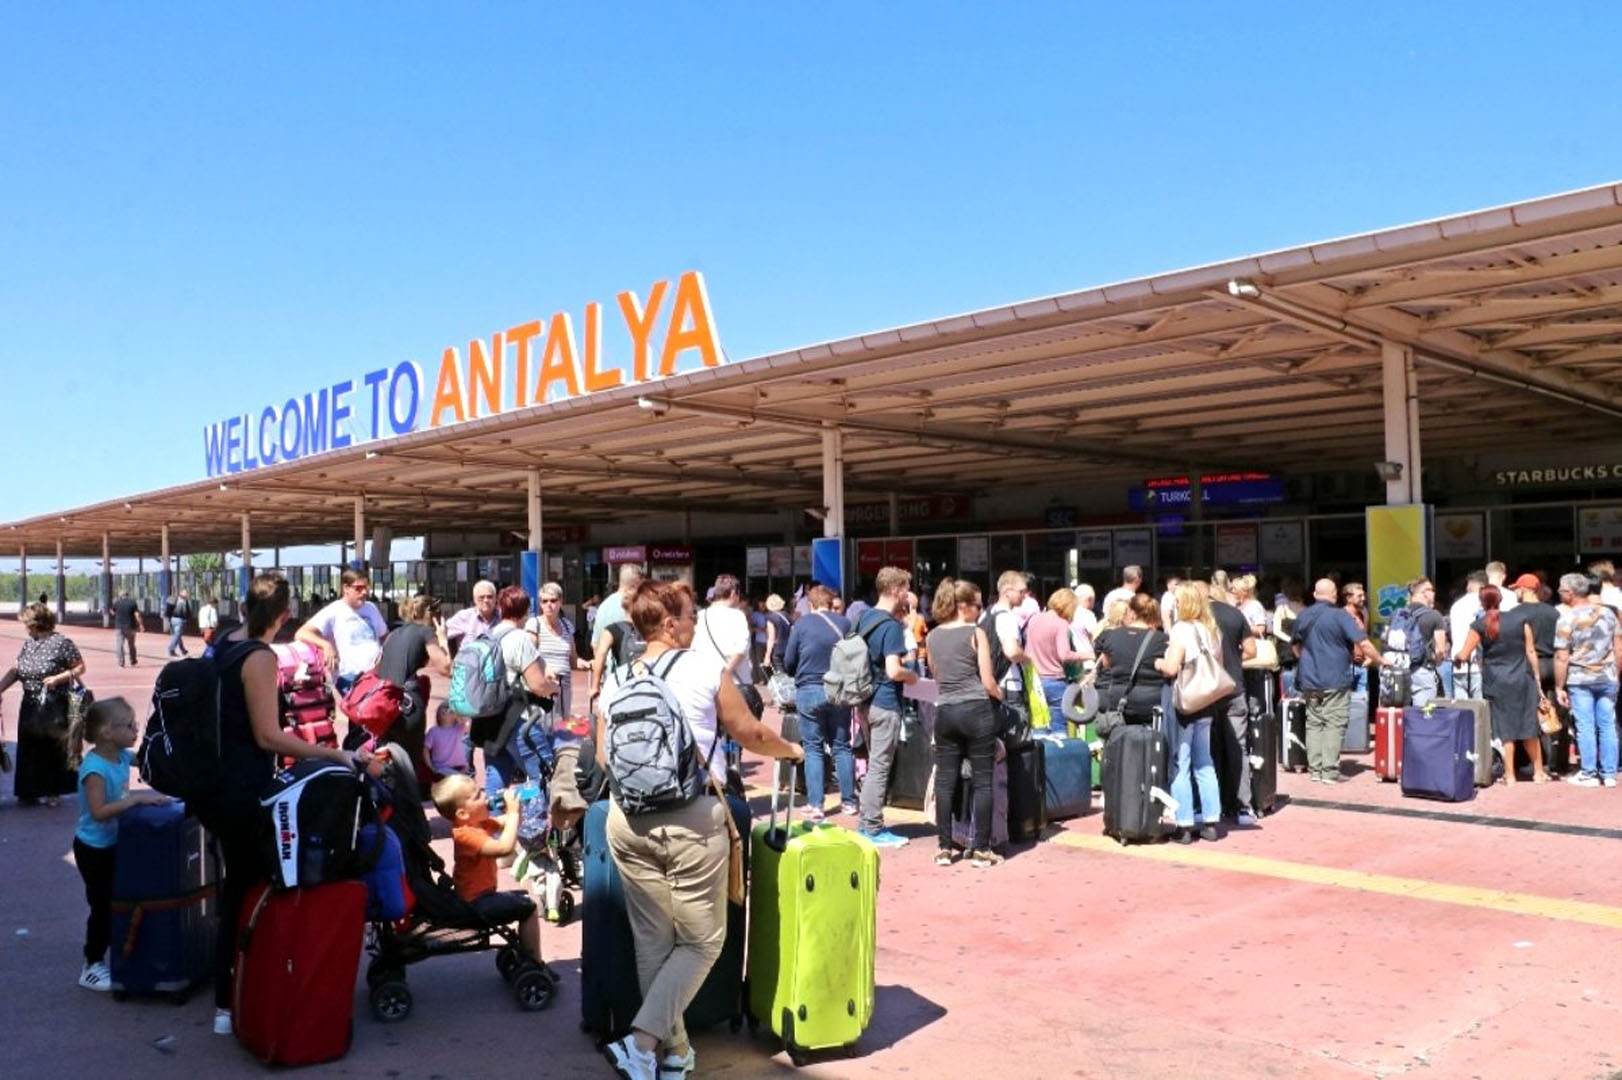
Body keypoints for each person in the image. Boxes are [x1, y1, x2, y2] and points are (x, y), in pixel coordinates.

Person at [596, 581, 803, 1080]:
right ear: (669, 623)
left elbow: (603, 755)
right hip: (691, 818)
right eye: (689, 616)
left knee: (653, 942)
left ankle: (674, 1054)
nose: (694, 624)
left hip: (627, 820)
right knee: (703, 942)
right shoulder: (704, 667)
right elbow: (749, 731)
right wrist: (790, 752)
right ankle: (642, 1043)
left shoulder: (618, 677)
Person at [197, 574, 368, 1037]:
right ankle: (232, 998)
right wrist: (334, 753)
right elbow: (268, 735)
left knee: (236, 884)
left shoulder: (226, 643)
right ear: (285, 616)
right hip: (241, 786)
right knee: (250, 887)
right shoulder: (258, 657)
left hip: (215, 783)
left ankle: (229, 990)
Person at [72, 697, 169, 992]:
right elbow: (99, 812)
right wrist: (135, 800)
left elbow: (149, 758)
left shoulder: (122, 756)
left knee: (120, 899)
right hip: (93, 849)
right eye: (128, 726)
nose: (134, 731)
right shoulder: (95, 769)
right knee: (101, 905)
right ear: (106, 733)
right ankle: (91, 964)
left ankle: (120, 950)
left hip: (115, 844)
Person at [925, 578, 1004, 868]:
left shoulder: (932, 636)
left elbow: (936, 676)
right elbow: (987, 681)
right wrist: (1000, 694)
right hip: (976, 709)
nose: (980, 611)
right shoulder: (976, 632)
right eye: (977, 605)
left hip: (945, 711)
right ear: (962, 606)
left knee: (946, 781)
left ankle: (945, 847)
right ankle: (981, 849)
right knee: (983, 781)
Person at [431, 774, 546, 965]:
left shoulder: (478, 823)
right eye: (477, 796)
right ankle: (535, 962)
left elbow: (505, 821)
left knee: (523, 898)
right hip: (475, 904)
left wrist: (515, 805)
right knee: (529, 908)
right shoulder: (466, 836)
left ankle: (525, 953)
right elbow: (504, 848)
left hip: (481, 897)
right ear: (462, 814)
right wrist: (514, 814)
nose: (485, 796)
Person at [1155, 584, 1227, 843]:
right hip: (1206, 700)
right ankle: (1210, 821)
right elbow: (1218, 664)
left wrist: (1158, 663)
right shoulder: (1211, 629)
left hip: (1184, 703)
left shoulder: (1181, 629)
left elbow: (1172, 667)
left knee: (1180, 762)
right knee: (1204, 761)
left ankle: (1184, 824)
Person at [1292, 579, 1383, 784]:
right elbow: (1364, 643)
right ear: (1334, 595)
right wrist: (1381, 660)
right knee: (1334, 723)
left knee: (1314, 723)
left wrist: (1308, 661)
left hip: (1309, 679)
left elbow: (1295, 646)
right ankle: (1330, 771)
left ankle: (1315, 770)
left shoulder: (1304, 614)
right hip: (1335, 677)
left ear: (1315, 594)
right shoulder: (1340, 616)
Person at [855, 566, 921, 849]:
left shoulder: (864, 618)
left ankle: (867, 821)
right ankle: (871, 826)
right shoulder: (890, 626)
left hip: (865, 700)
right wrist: (912, 675)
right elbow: (894, 670)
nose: (909, 593)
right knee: (880, 766)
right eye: (906, 588)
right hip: (885, 702)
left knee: (874, 764)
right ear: (895, 590)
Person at [1453, 585, 1544, 783]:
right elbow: (1530, 652)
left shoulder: (1479, 625)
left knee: (1505, 729)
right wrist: (1537, 678)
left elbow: (1464, 653)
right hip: (1522, 678)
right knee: (1529, 725)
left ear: (1481, 602)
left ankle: (1509, 775)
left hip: (1496, 680)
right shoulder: (1521, 620)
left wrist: (1457, 658)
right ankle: (1539, 773)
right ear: (1501, 599)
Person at [782, 585, 855, 821]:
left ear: (811, 604)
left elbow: (789, 660)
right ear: (831, 601)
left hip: (809, 689)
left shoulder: (802, 624)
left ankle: (816, 804)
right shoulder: (844, 624)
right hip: (839, 690)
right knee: (842, 746)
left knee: (813, 748)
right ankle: (849, 802)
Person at [0, 603, 84, 805]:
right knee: (29, 747)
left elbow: (80, 668)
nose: (26, 628)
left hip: (54, 703)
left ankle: (53, 791)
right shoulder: (29, 644)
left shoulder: (62, 642)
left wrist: (59, 678)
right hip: (30, 703)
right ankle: (29, 791)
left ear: (38, 623)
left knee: (51, 747)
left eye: (27, 624)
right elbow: (16, 670)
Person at [484, 587, 560, 807]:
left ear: (500, 607)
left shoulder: (489, 635)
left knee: (496, 781)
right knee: (542, 777)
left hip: (490, 720)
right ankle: (532, 830)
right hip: (518, 720)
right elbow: (537, 684)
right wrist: (552, 688)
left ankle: (495, 833)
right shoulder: (519, 639)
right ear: (527, 610)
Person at [1554, 572, 1621, 787]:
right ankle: (1609, 773)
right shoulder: (1609, 614)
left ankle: (1589, 772)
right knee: (1607, 723)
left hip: (1580, 678)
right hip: (1607, 675)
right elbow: (1618, 647)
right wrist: (1616, 674)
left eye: (1561, 590)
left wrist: (1558, 686)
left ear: (1569, 593)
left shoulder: (1567, 618)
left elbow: (1562, 656)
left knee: (1585, 725)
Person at [374, 594, 452, 769]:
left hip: (385, 704)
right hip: (407, 705)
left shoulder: (393, 634)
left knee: (389, 762)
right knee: (410, 764)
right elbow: (446, 668)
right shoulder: (425, 632)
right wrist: (443, 639)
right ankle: (409, 794)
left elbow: (378, 668)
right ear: (431, 615)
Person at [1208, 586, 1258, 825]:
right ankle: (1242, 807)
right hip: (1233, 685)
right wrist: (1234, 660)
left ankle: (1212, 805)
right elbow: (1251, 649)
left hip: (1205, 690)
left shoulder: (1196, 617)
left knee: (1208, 748)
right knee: (1238, 746)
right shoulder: (1235, 614)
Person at [296, 568, 390, 692]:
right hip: (349, 678)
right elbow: (302, 633)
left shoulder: (371, 608)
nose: (363, 592)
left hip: (375, 675)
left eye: (366, 588)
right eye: (358, 588)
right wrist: (325, 645)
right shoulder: (335, 610)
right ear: (346, 588)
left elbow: (385, 635)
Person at [1094, 594, 1171, 721]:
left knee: (1119, 738)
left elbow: (1106, 664)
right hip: (1150, 703)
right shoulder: (1160, 639)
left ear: (1132, 613)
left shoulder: (1112, 636)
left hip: (1118, 701)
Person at [526, 581, 587, 727]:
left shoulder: (567, 625)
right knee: (543, 727)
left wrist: (586, 663)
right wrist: (544, 669)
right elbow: (528, 657)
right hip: (543, 687)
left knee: (561, 728)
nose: (549, 605)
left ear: (561, 602)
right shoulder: (534, 624)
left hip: (564, 686)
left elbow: (573, 660)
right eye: (544, 601)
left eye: (553, 601)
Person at [693, 574, 754, 707]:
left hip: (706, 687)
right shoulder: (737, 616)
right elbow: (741, 649)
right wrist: (725, 674)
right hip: (735, 686)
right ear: (733, 593)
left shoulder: (700, 616)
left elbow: (694, 649)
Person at [1024, 588, 1084, 720]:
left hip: (1035, 680)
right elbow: (1064, 655)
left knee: (1038, 724)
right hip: (1055, 680)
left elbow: (1028, 650)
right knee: (1059, 726)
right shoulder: (1061, 623)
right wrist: (1086, 655)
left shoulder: (1034, 620)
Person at [591, 564, 647, 699]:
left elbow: (595, 645)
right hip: (634, 676)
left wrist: (599, 678)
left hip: (610, 677)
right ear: (636, 584)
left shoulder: (604, 606)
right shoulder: (639, 604)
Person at [1391, 579, 1449, 707]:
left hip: (1399, 672)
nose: (1434, 593)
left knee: (1401, 716)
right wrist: (1437, 660)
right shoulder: (1434, 615)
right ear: (1424, 593)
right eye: (1432, 590)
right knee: (1423, 717)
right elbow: (1440, 649)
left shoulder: (1398, 615)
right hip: (1422, 671)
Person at [1448, 571, 1488, 699]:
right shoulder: (1484, 604)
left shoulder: (1456, 605)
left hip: (1458, 660)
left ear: (1469, 586)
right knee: (1479, 707)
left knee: (1461, 707)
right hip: (1478, 663)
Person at [444, 580, 500, 655]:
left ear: (496, 599)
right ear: (475, 600)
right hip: (469, 664)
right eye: (481, 597)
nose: (486, 600)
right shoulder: (464, 617)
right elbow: (442, 632)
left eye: (489, 597)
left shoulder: (503, 617)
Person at [425, 702, 472, 780]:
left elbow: (468, 724)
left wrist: (459, 716)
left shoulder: (459, 728)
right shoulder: (433, 731)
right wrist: (430, 766)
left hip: (460, 768)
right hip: (441, 768)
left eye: (450, 709)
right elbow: (425, 749)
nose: (447, 710)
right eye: (443, 708)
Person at [761, 594, 791, 677]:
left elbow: (771, 638)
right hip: (789, 648)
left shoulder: (771, 618)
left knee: (781, 677)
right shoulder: (787, 616)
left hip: (778, 650)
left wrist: (767, 656)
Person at [110, 589, 140, 667]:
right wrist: (140, 624)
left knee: (119, 645)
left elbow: (112, 612)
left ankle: (121, 662)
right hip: (130, 627)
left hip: (119, 627)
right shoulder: (132, 603)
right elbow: (137, 615)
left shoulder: (117, 603)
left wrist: (117, 613)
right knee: (132, 645)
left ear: (120, 596)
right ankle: (133, 661)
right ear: (128, 595)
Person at [166, 588, 191, 657]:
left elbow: (188, 611)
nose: (186, 594)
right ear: (181, 593)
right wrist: (169, 618)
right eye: (185, 593)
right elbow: (169, 610)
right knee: (177, 635)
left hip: (178, 619)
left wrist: (188, 618)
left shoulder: (185, 601)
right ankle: (171, 649)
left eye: (187, 593)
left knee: (178, 635)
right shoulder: (177, 600)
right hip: (177, 619)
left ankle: (183, 650)